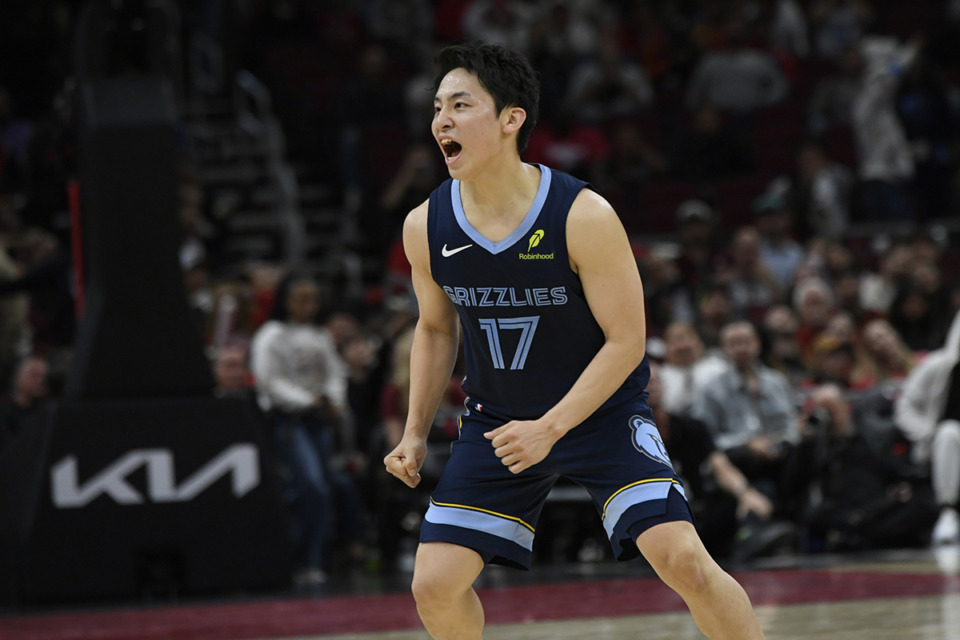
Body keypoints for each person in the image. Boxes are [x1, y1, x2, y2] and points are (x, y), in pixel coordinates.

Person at [383, 42, 766, 640]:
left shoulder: (582, 214)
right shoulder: (424, 226)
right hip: (499, 423)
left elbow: (627, 342)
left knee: (684, 562)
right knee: (433, 584)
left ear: (511, 119)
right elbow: (435, 328)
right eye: (438, 108)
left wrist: (552, 427)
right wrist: (413, 431)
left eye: (460, 105)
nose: (442, 121)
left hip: (601, 414)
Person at [250, 272, 365, 587]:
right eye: (301, 299)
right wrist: (308, 400)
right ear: (285, 300)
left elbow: (335, 374)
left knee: (328, 486)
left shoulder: (319, 336)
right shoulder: (271, 335)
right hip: (290, 422)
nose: (308, 306)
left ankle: (322, 557)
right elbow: (269, 382)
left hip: (320, 421)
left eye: (312, 299)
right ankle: (303, 560)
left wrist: (333, 401)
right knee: (310, 486)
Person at [894, 308, 960, 546]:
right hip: (940, 445)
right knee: (949, 432)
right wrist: (926, 433)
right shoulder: (937, 366)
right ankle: (948, 511)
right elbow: (905, 406)